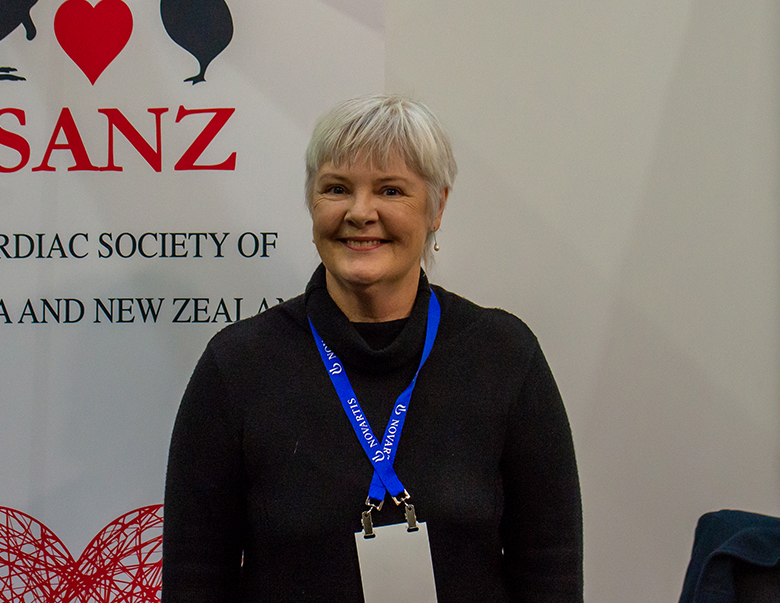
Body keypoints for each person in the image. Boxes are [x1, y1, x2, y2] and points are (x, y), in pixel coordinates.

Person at [161, 94, 583, 602]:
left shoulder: (504, 357)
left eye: (391, 190)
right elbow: (195, 578)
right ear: (312, 203)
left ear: (437, 207)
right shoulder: (236, 366)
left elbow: (550, 572)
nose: (361, 213)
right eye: (337, 188)